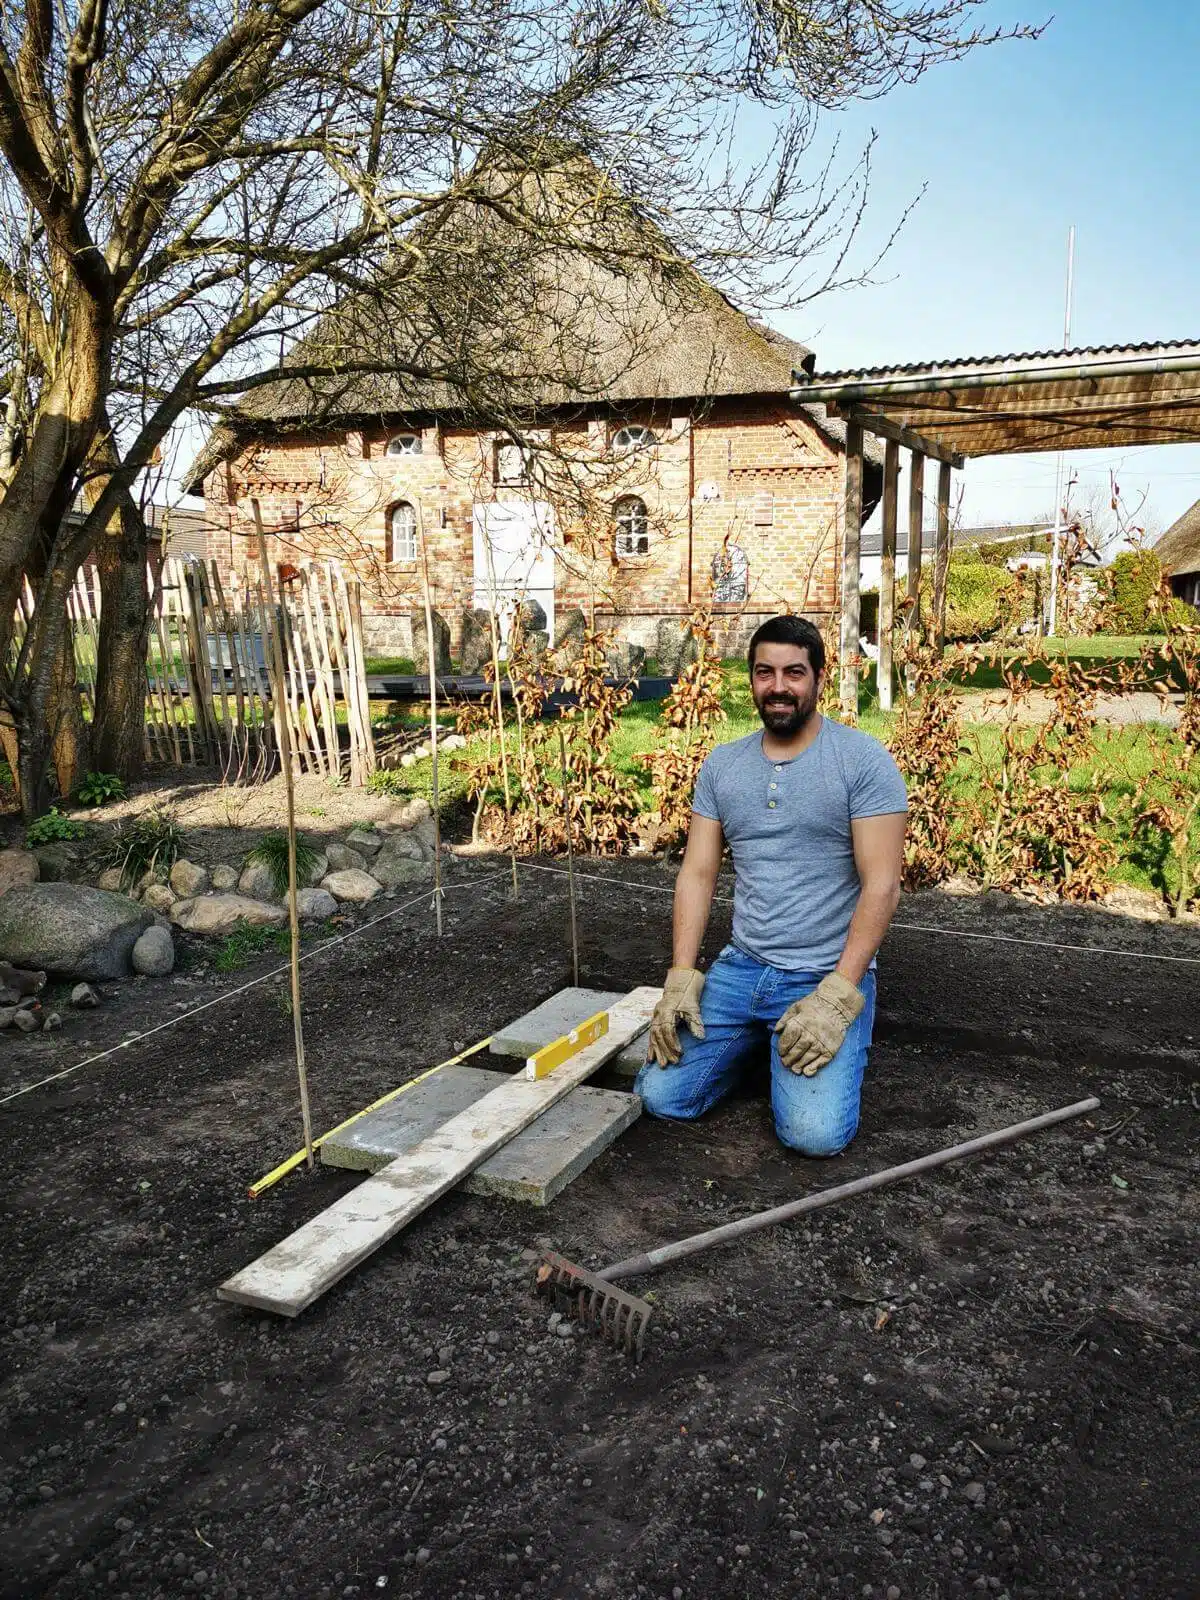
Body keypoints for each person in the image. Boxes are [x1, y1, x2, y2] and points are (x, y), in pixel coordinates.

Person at [635, 614, 907, 1156]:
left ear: (820, 679)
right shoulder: (723, 766)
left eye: (794, 673)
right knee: (662, 1096)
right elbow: (698, 872)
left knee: (814, 1136)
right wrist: (682, 975)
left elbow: (883, 886)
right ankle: (757, 1040)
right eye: (765, 672)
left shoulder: (862, 762)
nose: (778, 687)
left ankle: (818, 1036)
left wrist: (838, 994)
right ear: (752, 680)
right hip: (742, 967)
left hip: (822, 974)